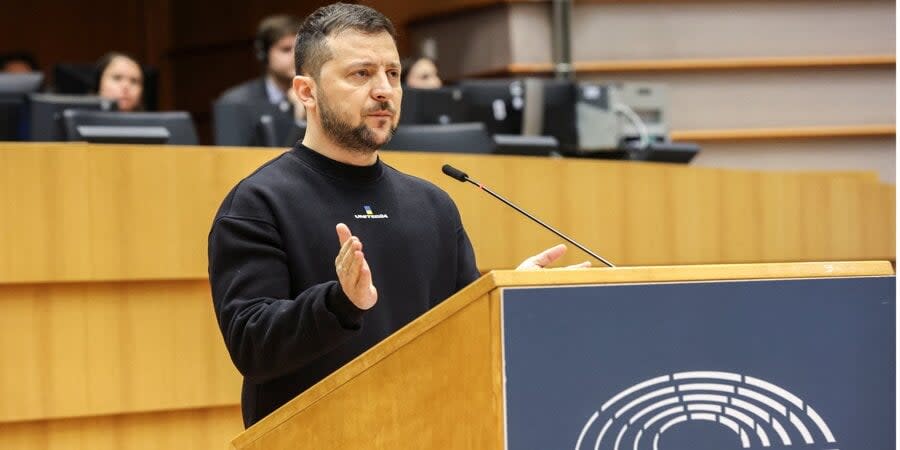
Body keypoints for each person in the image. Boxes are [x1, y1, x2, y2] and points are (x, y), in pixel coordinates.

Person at [208, 2, 589, 428]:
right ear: (306, 91)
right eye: (361, 74)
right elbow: (252, 347)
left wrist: (505, 301)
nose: (384, 90)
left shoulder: (432, 204)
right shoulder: (258, 203)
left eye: (392, 74)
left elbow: (458, 331)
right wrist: (339, 303)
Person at [216, 15, 306, 131]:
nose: (296, 56)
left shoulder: (315, 96)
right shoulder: (236, 102)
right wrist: (298, 122)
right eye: (286, 49)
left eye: (300, 49)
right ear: (263, 55)